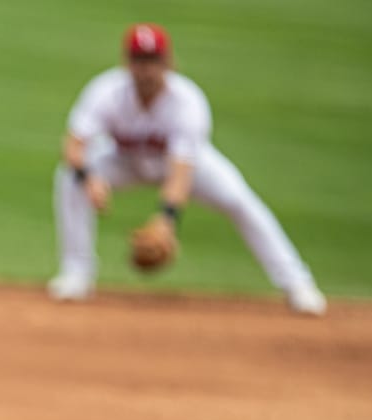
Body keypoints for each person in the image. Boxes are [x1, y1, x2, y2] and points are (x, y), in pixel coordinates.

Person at [48, 23, 328, 315]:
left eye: (152, 60)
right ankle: (76, 273)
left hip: (188, 164)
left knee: (238, 200)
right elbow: (73, 144)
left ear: (168, 62)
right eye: (138, 60)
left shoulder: (188, 101)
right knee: (68, 180)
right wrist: (88, 179)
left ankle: (297, 283)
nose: (145, 69)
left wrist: (167, 218)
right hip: (124, 159)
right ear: (126, 62)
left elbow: (180, 172)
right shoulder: (105, 90)